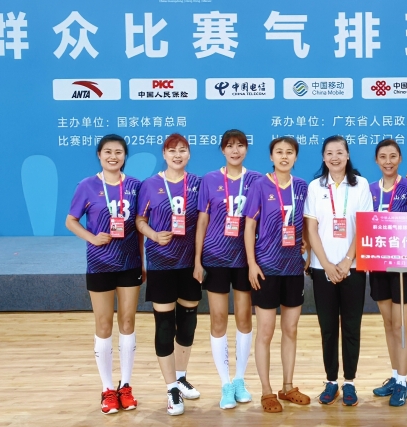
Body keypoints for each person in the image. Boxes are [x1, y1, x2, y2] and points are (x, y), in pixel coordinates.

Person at [66, 134, 143, 415]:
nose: (113, 156)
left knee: (128, 321)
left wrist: (143, 261)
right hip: (99, 264)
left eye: (119, 152)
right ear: (99, 155)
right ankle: (107, 389)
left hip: (130, 263)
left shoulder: (135, 186)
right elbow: (71, 220)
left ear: (125, 156)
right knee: (103, 323)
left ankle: (126, 386)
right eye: (108, 151)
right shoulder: (87, 185)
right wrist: (92, 238)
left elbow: (140, 225)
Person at [304, 136, 374, 407]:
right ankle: (331, 381)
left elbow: (364, 226)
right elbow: (311, 230)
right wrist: (326, 264)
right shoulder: (315, 187)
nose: (335, 157)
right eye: (330, 153)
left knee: (352, 327)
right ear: (323, 157)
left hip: (353, 268)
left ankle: (350, 382)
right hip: (322, 268)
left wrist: (346, 261)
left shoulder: (361, 185)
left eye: (340, 152)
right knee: (328, 327)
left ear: (348, 155)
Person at [193, 130, 261, 410]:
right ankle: (225, 384)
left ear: (246, 149)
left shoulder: (256, 180)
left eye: (240, 146)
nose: (235, 151)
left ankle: (240, 380)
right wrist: (197, 260)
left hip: (245, 260)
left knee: (244, 318)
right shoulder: (209, 180)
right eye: (230, 146)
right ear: (222, 150)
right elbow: (201, 222)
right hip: (215, 258)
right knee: (218, 319)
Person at [135, 133, 202, 416]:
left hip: (190, 264)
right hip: (161, 263)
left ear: (189, 154)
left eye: (182, 150)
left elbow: (206, 221)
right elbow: (140, 220)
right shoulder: (150, 184)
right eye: (172, 150)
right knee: (164, 326)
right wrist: (153, 234)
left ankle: (182, 377)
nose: (177, 155)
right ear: (164, 154)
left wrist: (200, 261)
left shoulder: (198, 184)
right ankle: (170, 387)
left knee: (187, 325)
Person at [243, 136, 311, 413]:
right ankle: (266, 391)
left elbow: (306, 222)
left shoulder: (302, 186)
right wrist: (251, 263)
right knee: (266, 331)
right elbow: (249, 226)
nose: (284, 156)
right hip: (266, 268)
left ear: (296, 157)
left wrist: (306, 246)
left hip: (293, 268)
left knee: (291, 329)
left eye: (289, 152)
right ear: (271, 157)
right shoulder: (260, 185)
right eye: (279, 152)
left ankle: (288, 386)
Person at [368, 139, 407, 407]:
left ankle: (403, 381)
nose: (388, 162)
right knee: (388, 323)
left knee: (401, 324)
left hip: (404, 266)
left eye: (392, 156)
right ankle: (394, 374)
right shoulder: (369, 189)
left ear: (400, 159)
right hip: (378, 264)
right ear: (376, 160)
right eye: (383, 157)